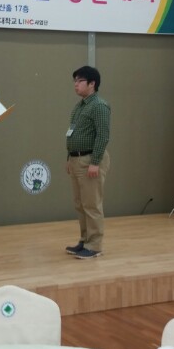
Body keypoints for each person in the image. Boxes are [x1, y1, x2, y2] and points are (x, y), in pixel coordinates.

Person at [64, 65, 111, 260]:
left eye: (80, 81)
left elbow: (103, 135)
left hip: (90, 159)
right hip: (77, 159)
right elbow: (73, 133)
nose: (76, 84)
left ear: (92, 84)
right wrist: (69, 158)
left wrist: (95, 162)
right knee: (80, 204)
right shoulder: (80, 106)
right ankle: (84, 240)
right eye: (75, 81)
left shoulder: (99, 106)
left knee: (91, 205)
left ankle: (95, 245)